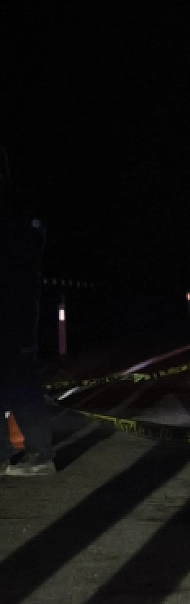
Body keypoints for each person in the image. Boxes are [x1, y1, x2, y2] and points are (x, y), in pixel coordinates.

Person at [0, 145, 54, 477]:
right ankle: (7, 456)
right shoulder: (20, 204)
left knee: (20, 380)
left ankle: (41, 454)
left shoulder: (15, 205)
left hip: (14, 307)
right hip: (17, 304)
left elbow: (28, 251)